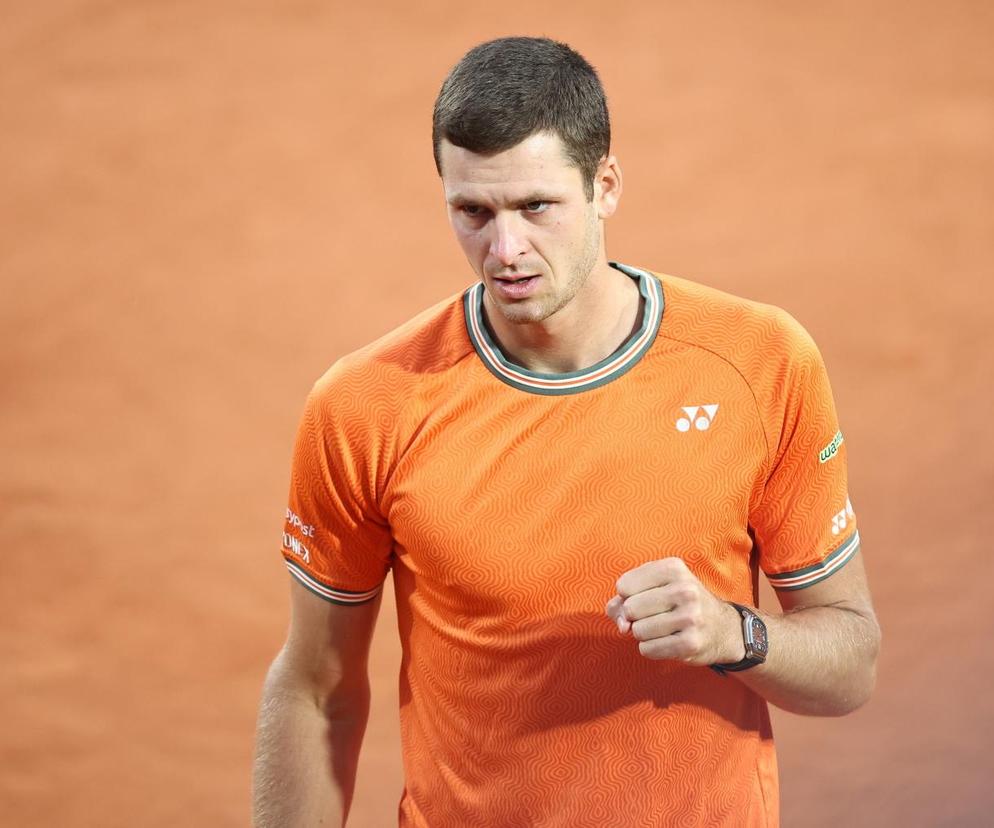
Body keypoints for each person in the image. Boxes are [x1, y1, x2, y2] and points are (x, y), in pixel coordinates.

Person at [252, 36, 880, 827]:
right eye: (473, 212)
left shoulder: (762, 362)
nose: (504, 250)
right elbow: (316, 691)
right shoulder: (365, 406)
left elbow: (851, 664)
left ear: (605, 185)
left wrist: (732, 631)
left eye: (535, 208)